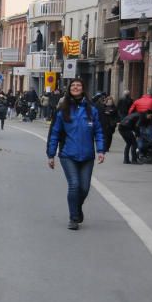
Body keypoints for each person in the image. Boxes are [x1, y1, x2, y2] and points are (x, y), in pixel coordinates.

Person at [46, 78, 105, 230]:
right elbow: (54, 133)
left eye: (79, 85)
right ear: (69, 89)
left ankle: (77, 209)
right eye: (73, 85)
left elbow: (98, 131)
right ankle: (73, 218)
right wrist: (51, 154)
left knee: (84, 188)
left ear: (83, 88)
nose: (76, 87)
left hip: (87, 156)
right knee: (74, 185)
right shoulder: (62, 109)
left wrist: (101, 150)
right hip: (68, 154)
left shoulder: (92, 109)